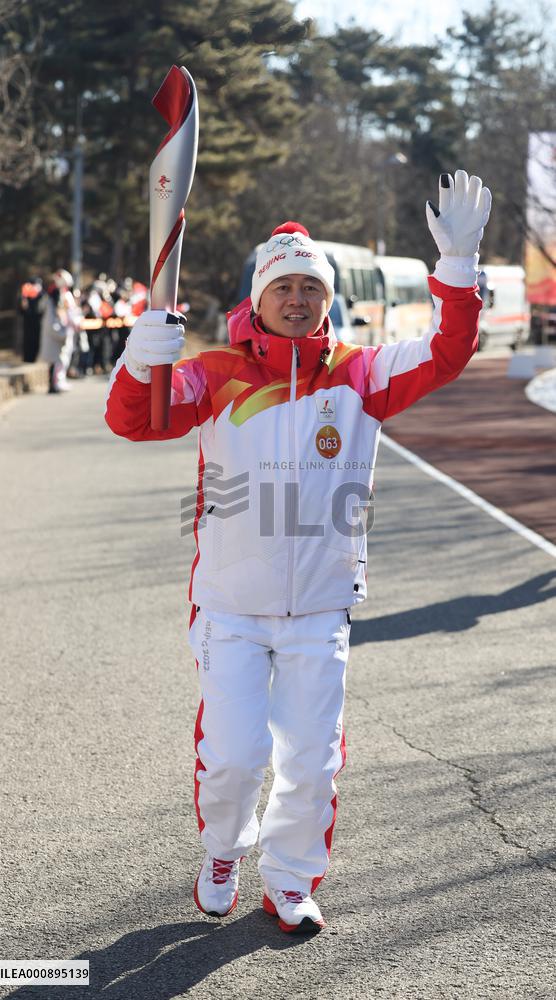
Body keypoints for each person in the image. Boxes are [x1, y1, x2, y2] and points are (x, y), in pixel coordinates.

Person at [105, 170, 491, 934]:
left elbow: (447, 353)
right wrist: (139, 360)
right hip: (231, 606)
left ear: (326, 298)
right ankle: (223, 852)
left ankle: (289, 881)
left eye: (311, 287)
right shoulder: (214, 375)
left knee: (311, 761)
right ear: (259, 297)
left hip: (320, 605)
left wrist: (457, 270)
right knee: (235, 757)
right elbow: (134, 421)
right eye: (283, 286)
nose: (298, 298)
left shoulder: (359, 374)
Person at [39, 269, 80, 393]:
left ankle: (59, 381)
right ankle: (55, 383)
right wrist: (61, 332)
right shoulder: (52, 298)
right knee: (57, 359)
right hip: (58, 332)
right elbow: (55, 317)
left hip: (63, 331)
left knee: (63, 358)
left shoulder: (63, 295)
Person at [19, 277, 44, 363]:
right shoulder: (26, 296)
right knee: (27, 342)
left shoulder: (42, 296)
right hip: (28, 324)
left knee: (37, 342)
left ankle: (35, 359)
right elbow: (22, 310)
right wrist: (24, 300)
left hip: (38, 324)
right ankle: (27, 359)